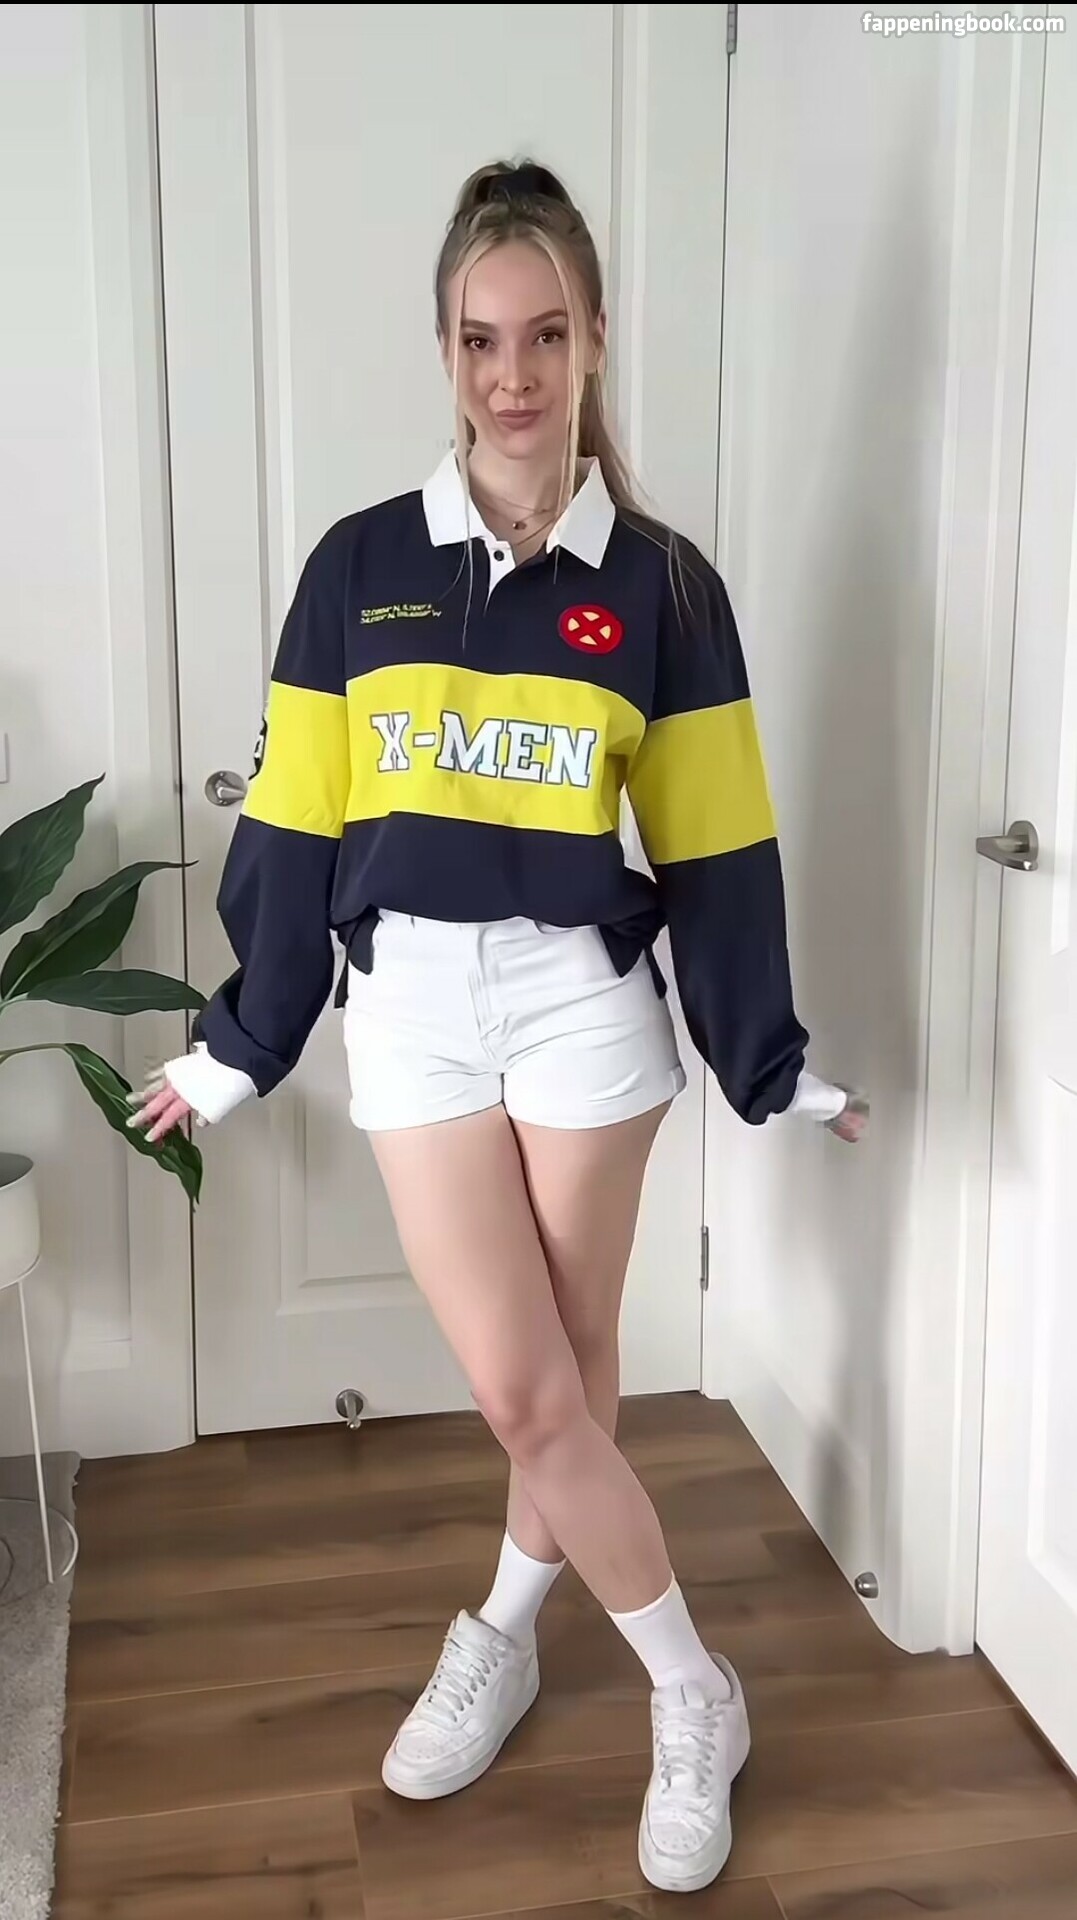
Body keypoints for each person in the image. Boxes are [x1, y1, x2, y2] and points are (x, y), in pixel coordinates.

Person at [129, 158, 867, 1896]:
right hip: (412, 1010)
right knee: (530, 1389)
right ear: (444, 350)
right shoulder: (360, 567)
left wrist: (763, 1055)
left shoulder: (664, 590)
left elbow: (716, 843)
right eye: (480, 339)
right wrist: (244, 1038)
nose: (513, 376)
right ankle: (694, 1685)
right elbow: (295, 821)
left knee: (567, 1380)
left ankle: (508, 1636)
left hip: (582, 1008)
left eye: (544, 334)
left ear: (594, 337)